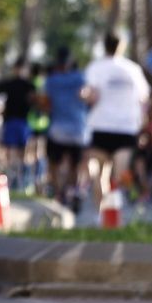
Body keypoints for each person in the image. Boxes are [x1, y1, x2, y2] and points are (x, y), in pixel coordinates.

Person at [82, 32, 151, 209]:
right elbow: (144, 97)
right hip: (126, 128)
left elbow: (89, 94)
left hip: (101, 126)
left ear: (104, 45)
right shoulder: (133, 69)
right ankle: (119, 205)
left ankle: (102, 212)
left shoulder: (95, 68)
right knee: (120, 174)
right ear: (122, 46)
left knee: (99, 173)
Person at [41, 50, 89, 209]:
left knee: (54, 163)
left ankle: (58, 192)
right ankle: (73, 191)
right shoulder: (81, 78)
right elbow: (87, 96)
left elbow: (46, 104)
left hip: (58, 129)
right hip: (79, 129)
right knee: (75, 165)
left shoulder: (51, 81)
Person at [0, 62, 36, 189]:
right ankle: (13, 177)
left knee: (21, 152)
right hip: (12, 121)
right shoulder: (11, 84)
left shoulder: (29, 85)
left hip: (21, 121)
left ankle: (19, 177)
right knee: (12, 151)